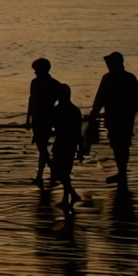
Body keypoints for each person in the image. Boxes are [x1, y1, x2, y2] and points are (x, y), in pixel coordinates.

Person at [88, 51, 138, 189]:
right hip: (123, 117)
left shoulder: (111, 78)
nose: (108, 65)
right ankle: (122, 172)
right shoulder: (128, 78)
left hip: (118, 117)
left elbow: (100, 99)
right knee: (121, 144)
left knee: (119, 143)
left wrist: (93, 114)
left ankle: (122, 172)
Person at [49, 84, 86, 213]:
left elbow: (52, 126)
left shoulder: (58, 109)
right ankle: (70, 196)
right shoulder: (75, 110)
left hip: (61, 142)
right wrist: (81, 146)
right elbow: (77, 132)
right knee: (65, 170)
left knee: (60, 171)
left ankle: (68, 197)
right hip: (72, 143)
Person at [25, 58, 61, 187]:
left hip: (45, 118)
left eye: (36, 70)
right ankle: (42, 174)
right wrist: (28, 118)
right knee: (42, 147)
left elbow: (62, 99)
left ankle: (50, 168)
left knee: (42, 147)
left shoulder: (51, 84)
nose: (35, 73)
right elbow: (31, 100)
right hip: (40, 117)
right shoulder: (52, 83)